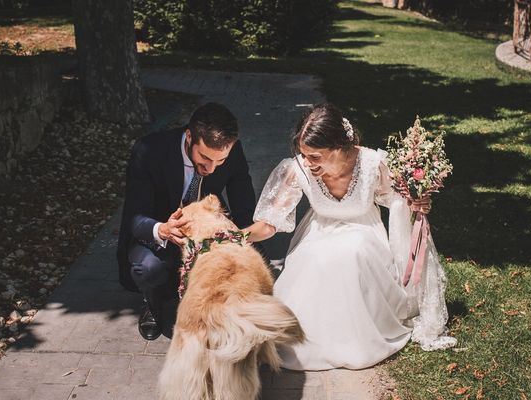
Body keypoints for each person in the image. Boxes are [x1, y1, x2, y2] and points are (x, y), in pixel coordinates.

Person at [245, 103, 455, 371]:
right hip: (320, 231)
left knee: (352, 253)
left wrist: (417, 201)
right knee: (313, 257)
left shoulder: (371, 164)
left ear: (338, 147)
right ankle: (307, 340)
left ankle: (355, 341)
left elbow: (399, 201)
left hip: (364, 232)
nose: (307, 163)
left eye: (315, 157)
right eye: (304, 155)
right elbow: (269, 223)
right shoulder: (297, 168)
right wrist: (233, 236)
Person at [117, 103, 257, 340]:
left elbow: (243, 204)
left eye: (220, 161)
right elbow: (135, 216)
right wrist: (162, 230)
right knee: (148, 269)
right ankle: (153, 302)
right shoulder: (149, 150)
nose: (211, 169)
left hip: (206, 232)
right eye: (204, 158)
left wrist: (247, 241)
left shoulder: (232, 151)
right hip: (162, 232)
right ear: (190, 136)